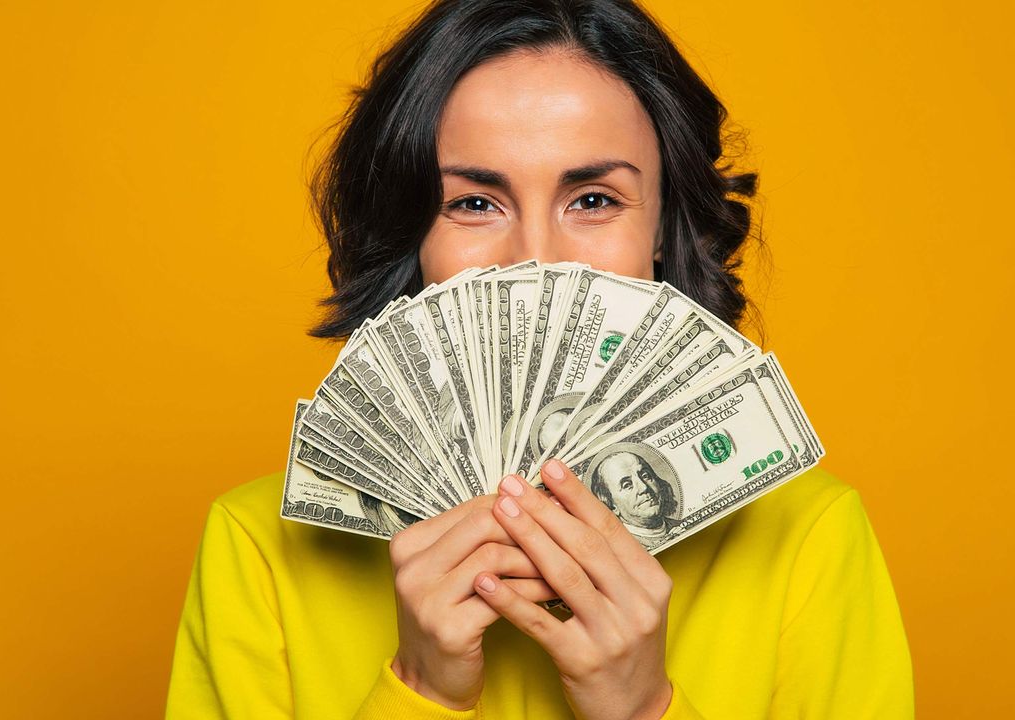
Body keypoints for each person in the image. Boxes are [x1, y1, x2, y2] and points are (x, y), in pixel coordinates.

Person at [166, 1, 914, 718]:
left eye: (592, 199)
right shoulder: (261, 548)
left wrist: (641, 710)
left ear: (663, 226)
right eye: (473, 203)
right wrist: (419, 690)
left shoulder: (806, 539)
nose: (536, 261)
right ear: (410, 233)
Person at [589, 448, 683, 544]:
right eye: (627, 485)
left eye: (645, 475)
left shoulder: (682, 526)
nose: (644, 487)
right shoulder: (620, 548)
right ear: (612, 505)